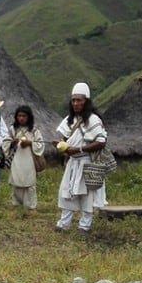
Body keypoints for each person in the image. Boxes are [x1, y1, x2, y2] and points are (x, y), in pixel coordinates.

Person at [55, 82, 107, 233]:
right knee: (67, 192)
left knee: (87, 195)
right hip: (73, 163)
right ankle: (64, 223)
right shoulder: (69, 120)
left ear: (87, 102)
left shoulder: (94, 120)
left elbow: (101, 142)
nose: (76, 103)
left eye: (79, 100)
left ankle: (85, 225)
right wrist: (60, 145)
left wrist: (78, 149)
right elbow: (64, 137)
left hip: (87, 162)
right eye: (73, 100)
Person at [2, 105, 44, 210]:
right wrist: (13, 143)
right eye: (19, 116)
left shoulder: (34, 131)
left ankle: (30, 206)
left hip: (29, 160)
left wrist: (30, 143)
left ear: (28, 117)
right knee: (16, 181)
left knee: (29, 183)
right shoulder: (13, 129)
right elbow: (5, 144)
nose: (21, 118)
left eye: (24, 116)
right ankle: (16, 204)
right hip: (16, 160)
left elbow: (41, 144)